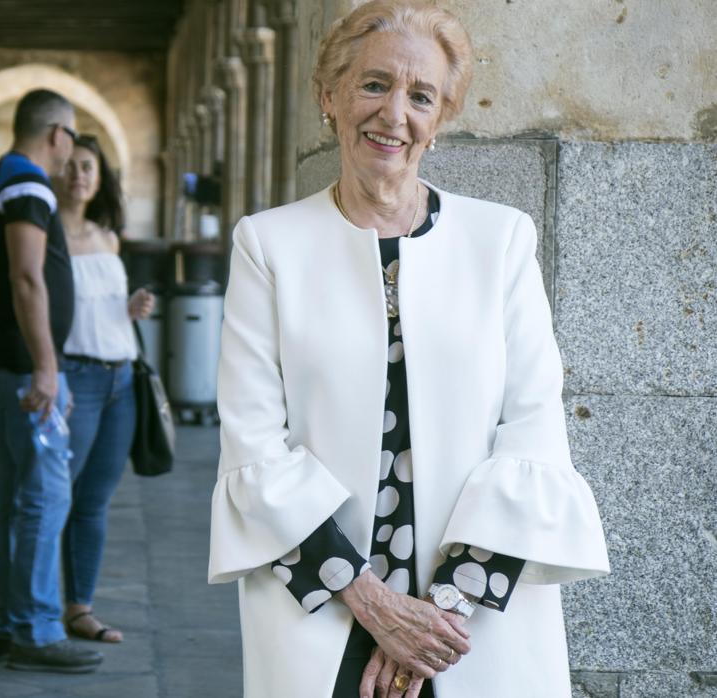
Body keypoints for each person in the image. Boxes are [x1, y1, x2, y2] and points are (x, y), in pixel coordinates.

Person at [208, 3, 611, 697]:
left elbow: (534, 435)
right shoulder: (267, 246)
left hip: (470, 620)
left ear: (441, 115)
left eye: (420, 95)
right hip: (326, 605)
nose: (394, 113)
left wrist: (430, 620)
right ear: (327, 96)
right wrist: (376, 607)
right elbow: (253, 446)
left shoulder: (502, 241)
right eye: (373, 85)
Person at [0, 89, 101, 674]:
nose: (71, 151)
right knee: (46, 494)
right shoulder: (27, 182)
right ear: (57, 134)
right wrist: (45, 364)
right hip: (22, 370)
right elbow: (27, 278)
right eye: (71, 137)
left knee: (6, 491)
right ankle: (36, 629)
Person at [54, 135, 154, 644]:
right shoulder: (46, 235)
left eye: (88, 167)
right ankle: (36, 606)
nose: (79, 176)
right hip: (75, 376)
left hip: (121, 380)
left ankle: (79, 609)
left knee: (93, 501)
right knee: (53, 497)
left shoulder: (107, 237)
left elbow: (104, 306)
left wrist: (130, 304)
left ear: (99, 176)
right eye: (70, 166)